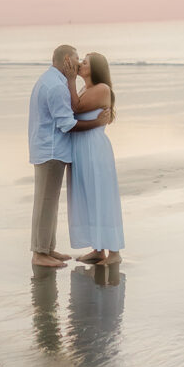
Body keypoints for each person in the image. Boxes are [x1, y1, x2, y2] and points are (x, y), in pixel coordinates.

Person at [29, 45, 112, 268]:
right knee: (45, 203)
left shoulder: (52, 80)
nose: (78, 63)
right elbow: (67, 124)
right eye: (77, 59)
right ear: (67, 59)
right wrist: (97, 122)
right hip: (52, 150)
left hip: (51, 148)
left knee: (49, 202)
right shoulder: (56, 85)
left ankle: (47, 248)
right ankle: (39, 253)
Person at [66, 52, 125, 265]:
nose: (80, 64)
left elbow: (76, 108)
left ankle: (114, 252)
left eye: (85, 63)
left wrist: (70, 78)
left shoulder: (102, 89)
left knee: (102, 196)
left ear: (96, 68)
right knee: (88, 196)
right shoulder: (84, 89)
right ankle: (98, 249)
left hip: (94, 149)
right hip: (80, 149)